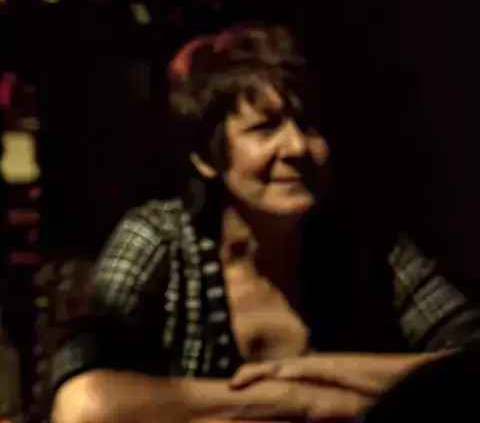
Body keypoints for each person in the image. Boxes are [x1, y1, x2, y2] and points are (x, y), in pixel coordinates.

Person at [51, 25, 480, 423]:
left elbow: (471, 364)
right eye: (264, 128)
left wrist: (321, 372)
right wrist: (293, 400)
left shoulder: (369, 243)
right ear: (205, 158)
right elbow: (82, 403)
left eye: (308, 125)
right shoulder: (161, 239)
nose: (297, 147)